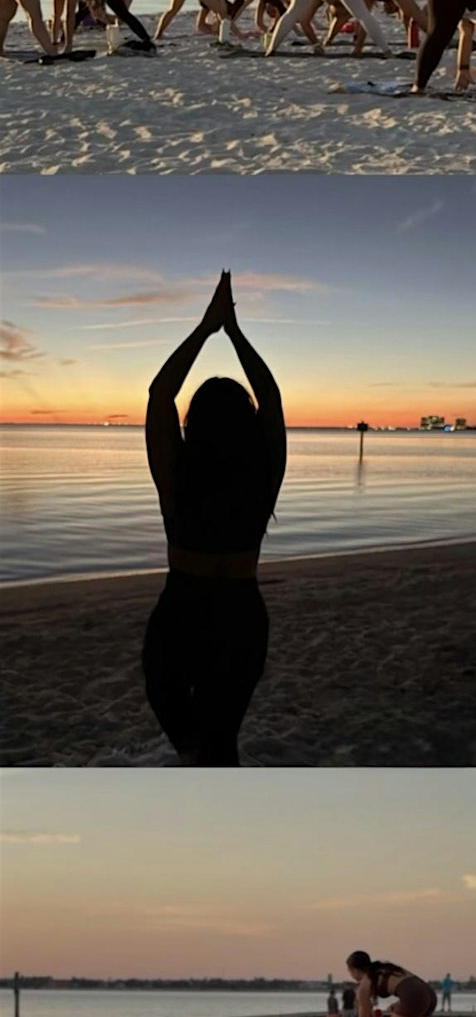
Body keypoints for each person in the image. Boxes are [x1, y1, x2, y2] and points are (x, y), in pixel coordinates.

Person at [142, 271, 287, 766]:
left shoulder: (179, 478)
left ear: (193, 423)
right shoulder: (262, 474)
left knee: (194, 745)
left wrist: (208, 329)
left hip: (182, 611)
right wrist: (236, 333)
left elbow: (160, 394)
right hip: (241, 615)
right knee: (222, 744)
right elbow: (271, 399)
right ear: (247, 425)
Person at [65, 0, 156, 52]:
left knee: (81, 13)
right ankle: (146, 38)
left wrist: (105, 19)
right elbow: (122, 17)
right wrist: (110, 21)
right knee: (125, 15)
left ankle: (64, 39)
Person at [154, 0, 235, 40]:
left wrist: (213, 31)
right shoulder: (220, 2)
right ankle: (158, 35)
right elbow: (224, 16)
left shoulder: (208, 4)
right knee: (221, 13)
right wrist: (238, 34)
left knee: (172, 10)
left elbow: (200, 26)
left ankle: (158, 35)